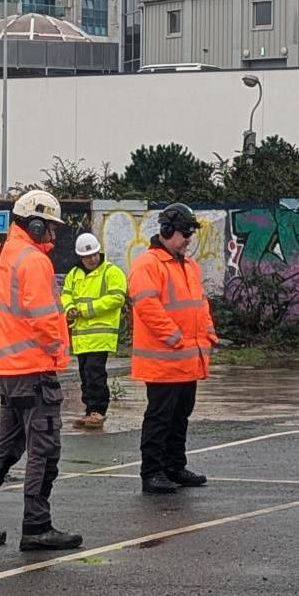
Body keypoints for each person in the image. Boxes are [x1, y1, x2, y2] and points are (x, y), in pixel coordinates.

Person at [0, 190, 83, 551]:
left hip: (11, 370)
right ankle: (37, 524)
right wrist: (58, 351)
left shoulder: (11, 254)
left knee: (7, 445)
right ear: (36, 223)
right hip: (34, 368)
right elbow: (43, 316)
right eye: (50, 228)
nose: (54, 236)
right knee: (44, 450)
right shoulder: (33, 260)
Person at [129, 203, 219, 495]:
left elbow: (200, 304)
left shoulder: (189, 266)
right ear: (167, 231)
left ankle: (174, 466)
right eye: (184, 233)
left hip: (187, 359)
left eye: (190, 233)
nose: (188, 239)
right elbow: (147, 306)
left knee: (181, 415)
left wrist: (208, 332)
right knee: (160, 417)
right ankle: (152, 472)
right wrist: (173, 337)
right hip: (164, 360)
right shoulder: (148, 264)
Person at [61, 232, 126, 429]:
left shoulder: (112, 272)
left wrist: (86, 310)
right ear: (80, 257)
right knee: (85, 374)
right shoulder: (74, 274)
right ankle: (90, 411)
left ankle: (98, 410)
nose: (92, 258)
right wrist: (69, 309)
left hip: (101, 334)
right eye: (88, 256)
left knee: (95, 373)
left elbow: (117, 298)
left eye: (95, 254)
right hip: (81, 336)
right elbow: (65, 295)